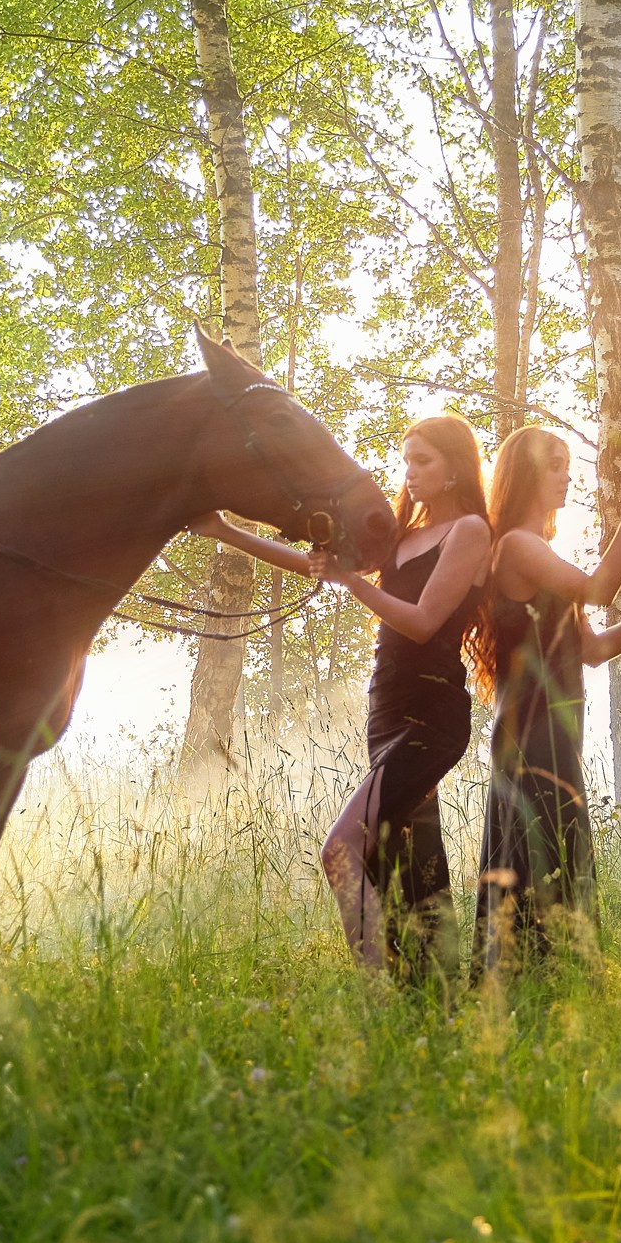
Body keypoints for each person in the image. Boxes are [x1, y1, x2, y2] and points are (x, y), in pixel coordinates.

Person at [193, 414, 491, 977]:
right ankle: (433, 993)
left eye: (423, 461)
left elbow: (424, 622)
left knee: (342, 850)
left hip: (433, 715)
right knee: (405, 857)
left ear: (454, 469)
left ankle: (378, 993)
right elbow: (314, 567)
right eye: (407, 460)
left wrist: (352, 581)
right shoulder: (404, 535)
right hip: (385, 709)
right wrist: (225, 532)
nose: (410, 473)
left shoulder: (470, 532)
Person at [473, 427, 621, 977]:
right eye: (555, 466)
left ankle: (551, 983)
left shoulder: (540, 551)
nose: (567, 476)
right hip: (530, 734)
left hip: (555, 734)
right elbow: (597, 591)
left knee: (559, 857)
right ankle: (530, 984)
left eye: (568, 465)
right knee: (540, 858)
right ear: (526, 476)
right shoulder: (519, 545)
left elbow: (593, 649)